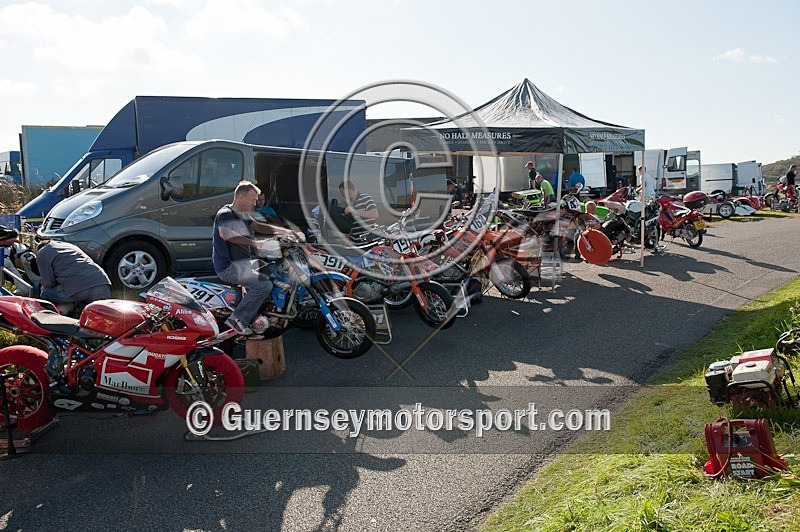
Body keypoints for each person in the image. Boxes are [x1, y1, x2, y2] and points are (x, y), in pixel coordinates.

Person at [213, 181, 301, 335]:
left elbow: (259, 226)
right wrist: (257, 244)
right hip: (229, 267)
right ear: (240, 197)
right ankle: (237, 319)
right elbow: (228, 235)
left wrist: (286, 232)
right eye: (252, 200)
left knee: (275, 270)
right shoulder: (225, 214)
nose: (255, 203)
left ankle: (266, 312)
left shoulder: (242, 214)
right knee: (264, 285)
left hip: (245, 263)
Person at [36, 239, 112, 310]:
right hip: (102, 284)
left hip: (79, 289)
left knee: (46, 294)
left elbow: (48, 283)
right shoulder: (68, 246)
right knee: (100, 314)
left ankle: (53, 318)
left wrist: (43, 287)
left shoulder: (43, 252)